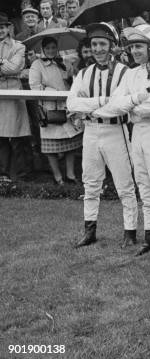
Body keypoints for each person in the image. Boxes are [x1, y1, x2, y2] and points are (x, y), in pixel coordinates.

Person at [92, 24, 150, 261]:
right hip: (137, 132)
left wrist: (131, 107)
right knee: (144, 186)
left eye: (139, 46)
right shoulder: (131, 74)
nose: (134, 51)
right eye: (132, 47)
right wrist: (135, 103)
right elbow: (115, 103)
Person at [66, 22, 138, 249]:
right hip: (91, 132)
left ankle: (130, 232)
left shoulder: (125, 72)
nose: (97, 49)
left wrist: (87, 107)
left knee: (124, 184)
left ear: (112, 45)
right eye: (94, 44)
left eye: (102, 44)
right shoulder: (84, 73)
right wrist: (100, 102)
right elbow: (71, 102)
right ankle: (89, 231)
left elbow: (119, 106)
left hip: (116, 131)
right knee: (91, 183)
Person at [29, 37, 83, 185]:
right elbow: (34, 86)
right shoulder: (37, 64)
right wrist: (53, 90)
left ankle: (70, 174)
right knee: (51, 146)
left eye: (53, 47)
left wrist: (70, 78)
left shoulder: (64, 62)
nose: (51, 51)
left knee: (70, 143)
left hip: (66, 107)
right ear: (43, 49)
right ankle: (58, 176)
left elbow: (75, 81)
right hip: (48, 109)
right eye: (48, 48)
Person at [0, 13, 31, 183]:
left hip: (13, 93)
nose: (0, 30)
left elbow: (15, 67)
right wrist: (5, 62)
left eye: (3, 27)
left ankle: (21, 174)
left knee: (17, 135)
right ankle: (3, 173)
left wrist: (6, 65)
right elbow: (10, 67)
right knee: (1, 136)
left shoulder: (18, 46)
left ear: (8, 28)